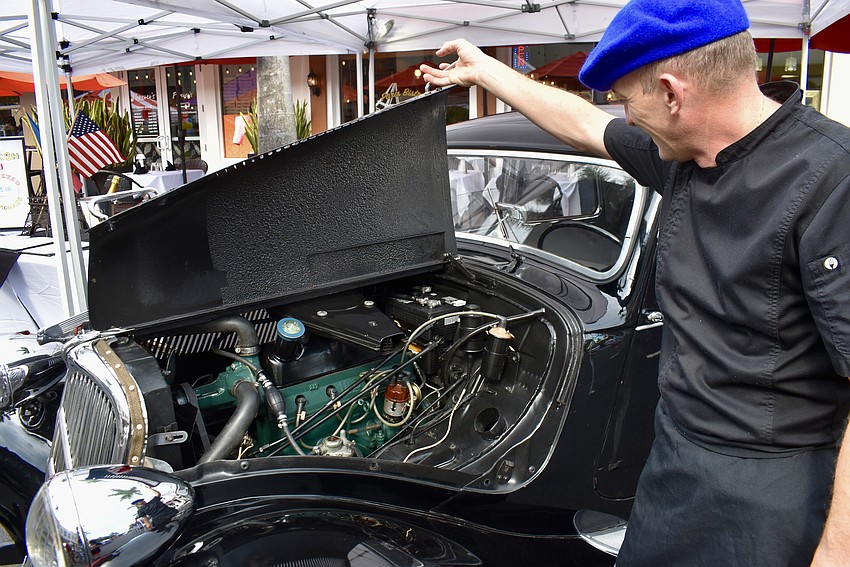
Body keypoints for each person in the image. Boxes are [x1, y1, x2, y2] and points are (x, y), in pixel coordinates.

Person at [422, 1, 850, 566]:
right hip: (675, 462)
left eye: (628, 99)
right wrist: (485, 70)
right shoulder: (680, 153)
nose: (624, 116)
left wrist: (836, 553)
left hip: (770, 491)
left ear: (673, 94)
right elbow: (581, 124)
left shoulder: (830, 179)